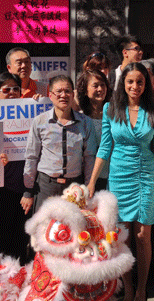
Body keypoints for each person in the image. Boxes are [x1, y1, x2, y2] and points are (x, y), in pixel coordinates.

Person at [87, 62, 154, 301]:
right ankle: (127, 287)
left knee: (143, 236)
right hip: (119, 177)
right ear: (124, 83)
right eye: (130, 81)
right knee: (124, 236)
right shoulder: (111, 108)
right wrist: (91, 182)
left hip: (146, 179)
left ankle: (142, 289)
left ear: (146, 85)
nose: (135, 86)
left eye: (140, 82)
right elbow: (105, 148)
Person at [21, 75, 97, 214]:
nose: (63, 95)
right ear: (50, 95)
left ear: (73, 94)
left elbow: (89, 158)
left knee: (73, 231)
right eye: (59, 91)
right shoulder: (40, 121)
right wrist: (28, 191)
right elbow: (32, 157)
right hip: (45, 186)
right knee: (44, 231)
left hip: (75, 187)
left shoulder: (86, 123)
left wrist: (87, 188)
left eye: (67, 91)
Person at [0, 72, 29, 263]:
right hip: (2, 188)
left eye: (15, 89)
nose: (11, 93)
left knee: (21, 237)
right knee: (0, 236)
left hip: (26, 187)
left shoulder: (34, 116)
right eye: (6, 89)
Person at [76, 69, 112, 191]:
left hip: (112, 176)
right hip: (87, 178)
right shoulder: (80, 118)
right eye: (95, 85)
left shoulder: (115, 115)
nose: (100, 89)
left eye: (103, 85)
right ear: (85, 90)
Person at [0, 47, 40, 117]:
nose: (24, 66)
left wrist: (42, 102)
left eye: (27, 62)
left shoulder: (44, 89)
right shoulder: (0, 91)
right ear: (9, 68)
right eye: (19, 63)